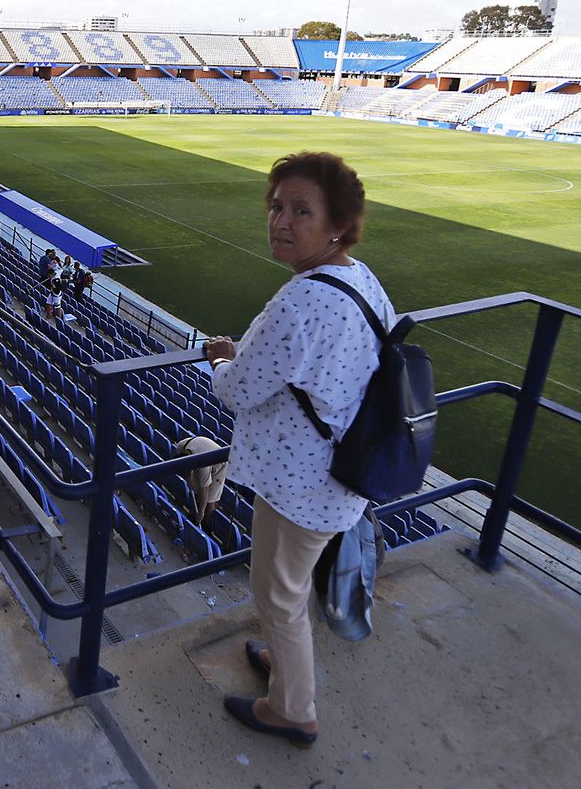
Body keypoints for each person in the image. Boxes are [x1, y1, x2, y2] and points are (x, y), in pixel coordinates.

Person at [202, 150, 394, 750]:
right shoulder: (361, 281)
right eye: (277, 206)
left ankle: (292, 710)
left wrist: (222, 359)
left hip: (301, 486)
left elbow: (237, 391)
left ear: (338, 224)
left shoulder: (300, 303)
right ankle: (284, 663)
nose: (280, 221)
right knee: (292, 586)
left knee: (278, 595)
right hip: (339, 476)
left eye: (301, 211)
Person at [176, 435, 227, 525]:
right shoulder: (181, 446)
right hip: (204, 450)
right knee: (197, 492)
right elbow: (186, 472)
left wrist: (201, 511)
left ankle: (205, 524)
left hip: (220, 462)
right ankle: (192, 516)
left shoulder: (203, 465)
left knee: (210, 499)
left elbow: (205, 489)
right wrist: (189, 480)